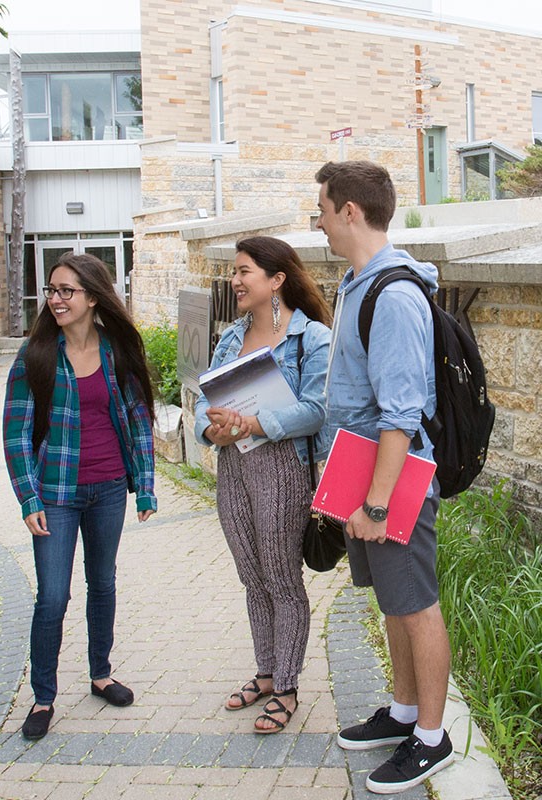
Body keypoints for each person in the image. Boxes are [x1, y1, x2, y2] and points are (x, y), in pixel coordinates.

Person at [314, 160, 453, 794]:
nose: (317, 221)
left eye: (323, 209)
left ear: (350, 211)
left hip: (390, 481)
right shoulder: (356, 283)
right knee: (390, 602)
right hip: (361, 472)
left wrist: (375, 504)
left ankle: (432, 736)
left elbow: (400, 413)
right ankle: (402, 712)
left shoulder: (392, 296)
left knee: (417, 605)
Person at [2, 252, 157, 741]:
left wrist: (145, 485)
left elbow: (138, 418)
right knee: (52, 596)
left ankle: (100, 673)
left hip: (109, 487)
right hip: (56, 494)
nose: (55, 299)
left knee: (103, 584)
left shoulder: (116, 351)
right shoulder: (35, 357)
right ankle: (43, 697)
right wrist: (29, 499)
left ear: (93, 296)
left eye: (66, 290)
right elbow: (16, 435)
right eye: (51, 290)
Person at [192, 236, 332, 734]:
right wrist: (211, 429)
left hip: (282, 470)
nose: (235, 280)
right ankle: (267, 673)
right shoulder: (231, 338)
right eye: (235, 271)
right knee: (253, 578)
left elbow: (318, 411)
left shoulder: (310, 338)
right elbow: (200, 403)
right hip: (234, 469)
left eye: (244, 271)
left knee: (280, 578)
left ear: (276, 280)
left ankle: (288, 686)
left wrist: (254, 424)